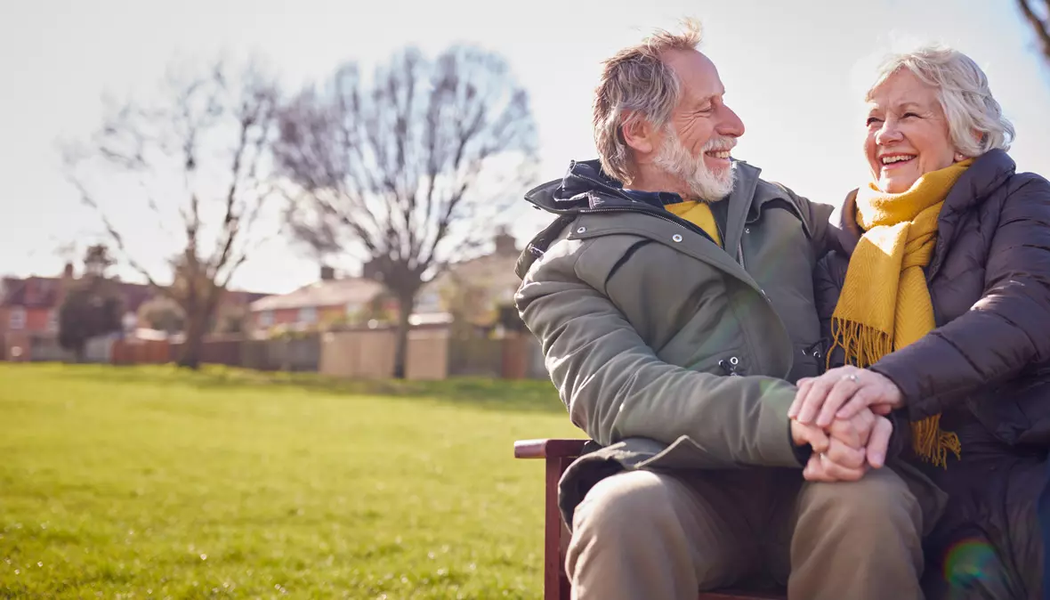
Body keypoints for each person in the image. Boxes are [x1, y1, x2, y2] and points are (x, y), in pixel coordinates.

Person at [514, 20, 936, 600]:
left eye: (726, 102)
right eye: (707, 107)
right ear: (639, 130)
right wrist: (795, 418)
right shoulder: (564, 267)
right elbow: (621, 392)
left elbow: (894, 229)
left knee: (873, 503)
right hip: (677, 482)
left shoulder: (781, 206)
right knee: (617, 512)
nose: (735, 126)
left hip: (816, 480)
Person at [789, 45, 1050, 599]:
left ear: (970, 131)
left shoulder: (1022, 199)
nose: (886, 134)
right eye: (874, 119)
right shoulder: (842, 245)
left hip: (1021, 476)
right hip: (904, 491)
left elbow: (1024, 306)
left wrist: (891, 379)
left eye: (909, 115)